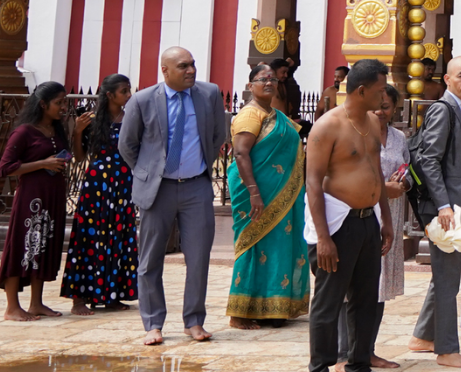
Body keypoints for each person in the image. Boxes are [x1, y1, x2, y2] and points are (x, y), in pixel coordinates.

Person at [121, 46, 227, 346]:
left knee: (198, 258)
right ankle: (153, 323)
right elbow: (128, 145)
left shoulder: (208, 94)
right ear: (164, 70)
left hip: (196, 187)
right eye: (183, 66)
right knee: (150, 259)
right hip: (159, 189)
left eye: (192, 64)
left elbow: (219, 135)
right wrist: (149, 172)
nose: (191, 70)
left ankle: (194, 321)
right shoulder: (142, 100)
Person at [304, 59, 395, 372]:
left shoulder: (371, 122)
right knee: (328, 302)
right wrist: (324, 237)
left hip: (367, 220)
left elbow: (376, 174)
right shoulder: (328, 127)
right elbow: (312, 184)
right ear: (360, 90)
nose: (384, 97)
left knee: (365, 297)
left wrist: (385, 218)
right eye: (379, 90)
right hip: (337, 224)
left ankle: (359, 367)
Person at [225, 63, 309, 329]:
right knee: (252, 245)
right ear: (250, 86)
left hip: (277, 191)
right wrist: (254, 193)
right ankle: (239, 313)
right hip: (255, 192)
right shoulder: (250, 114)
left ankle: (273, 307)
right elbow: (240, 153)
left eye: (272, 79)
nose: (269, 83)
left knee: (276, 245)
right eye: (262, 79)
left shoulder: (275, 115)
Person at [409, 56, 461, 366]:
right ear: (447, 79)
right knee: (448, 278)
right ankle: (447, 350)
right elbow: (428, 160)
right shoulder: (443, 109)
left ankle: (423, 336)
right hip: (444, 208)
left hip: (454, 204)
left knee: (444, 274)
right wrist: (444, 205)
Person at [338, 85, 408, 372]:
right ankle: (345, 352)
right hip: (360, 213)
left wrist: (402, 183)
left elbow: (407, 168)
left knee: (378, 288)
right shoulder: (355, 133)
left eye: (387, 107)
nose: (381, 111)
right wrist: (383, 187)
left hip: (389, 215)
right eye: (377, 106)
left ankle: (368, 349)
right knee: (353, 286)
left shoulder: (399, 137)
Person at [62, 72, 137, 316]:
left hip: (124, 183)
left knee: (119, 235)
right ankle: (79, 299)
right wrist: (77, 132)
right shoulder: (92, 120)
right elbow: (81, 157)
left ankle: (112, 295)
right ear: (109, 95)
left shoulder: (131, 118)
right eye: (124, 91)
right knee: (89, 237)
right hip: (98, 185)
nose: (128, 95)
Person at [0, 82, 71, 321]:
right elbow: (5, 168)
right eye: (59, 103)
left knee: (44, 247)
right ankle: (12, 307)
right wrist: (43, 164)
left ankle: (36, 303)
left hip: (53, 198)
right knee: (22, 247)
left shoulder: (57, 130)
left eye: (64, 102)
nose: (63, 107)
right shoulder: (24, 132)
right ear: (43, 104)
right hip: (31, 199)